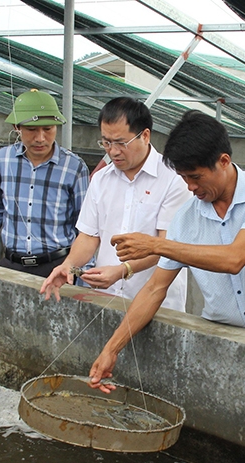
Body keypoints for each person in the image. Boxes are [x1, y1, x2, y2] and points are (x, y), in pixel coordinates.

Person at [87, 110, 245, 392]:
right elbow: (154, 289)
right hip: (214, 338)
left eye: (196, 177)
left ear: (223, 161)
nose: (191, 187)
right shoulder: (186, 216)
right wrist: (112, 348)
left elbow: (235, 258)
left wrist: (155, 245)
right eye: (184, 178)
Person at [39, 97, 191, 310]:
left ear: (145, 135)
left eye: (121, 143)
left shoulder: (174, 179)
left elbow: (167, 247)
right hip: (106, 298)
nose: (113, 151)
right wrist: (68, 266)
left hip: (158, 304)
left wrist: (122, 270)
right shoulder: (101, 179)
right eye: (106, 142)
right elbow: (89, 236)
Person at [0, 89, 89, 277]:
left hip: (57, 265)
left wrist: (82, 270)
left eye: (48, 129)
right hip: (12, 263)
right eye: (32, 130)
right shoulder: (4, 159)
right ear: (16, 127)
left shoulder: (74, 167)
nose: (40, 138)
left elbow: (85, 227)